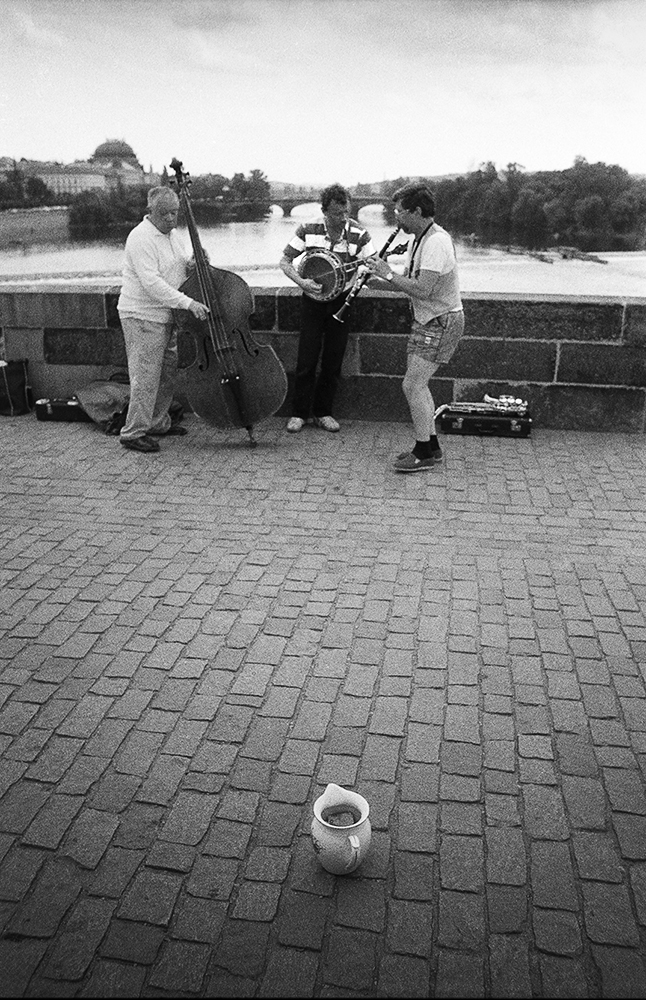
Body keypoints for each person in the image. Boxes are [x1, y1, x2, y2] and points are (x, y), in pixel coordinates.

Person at [363, 183, 464, 473]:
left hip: (441, 321)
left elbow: (424, 289)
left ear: (417, 211)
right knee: (418, 385)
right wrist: (378, 282)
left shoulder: (435, 242)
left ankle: (423, 454)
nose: (397, 218)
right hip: (428, 320)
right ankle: (430, 445)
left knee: (413, 384)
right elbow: (410, 286)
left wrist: (387, 272)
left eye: (400, 212)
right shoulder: (419, 239)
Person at [117, 186, 210, 453]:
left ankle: (157, 423)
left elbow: (179, 269)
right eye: (165, 213)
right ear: (151, 212)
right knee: (145, 376)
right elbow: (151, 283)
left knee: (166, 374)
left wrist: (194, 264)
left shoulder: (172, 235)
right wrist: (188, 303)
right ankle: (133, 432)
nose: (171, 219)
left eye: (174, 212)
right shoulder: (140, 237)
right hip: (142, 315)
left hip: (166, 316)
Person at [279, 184, 375, 433]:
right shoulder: (308, 229)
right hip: (312, 300)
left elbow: (372, 267)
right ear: (324, 211)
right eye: (336, 214)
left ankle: (324, 412)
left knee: (333, 361)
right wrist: (302, 282)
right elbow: (285, 260)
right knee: (306, 360)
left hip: (342, 302)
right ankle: (299, 413)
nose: (342, 218)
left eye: (345, 212)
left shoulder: (359, 233)